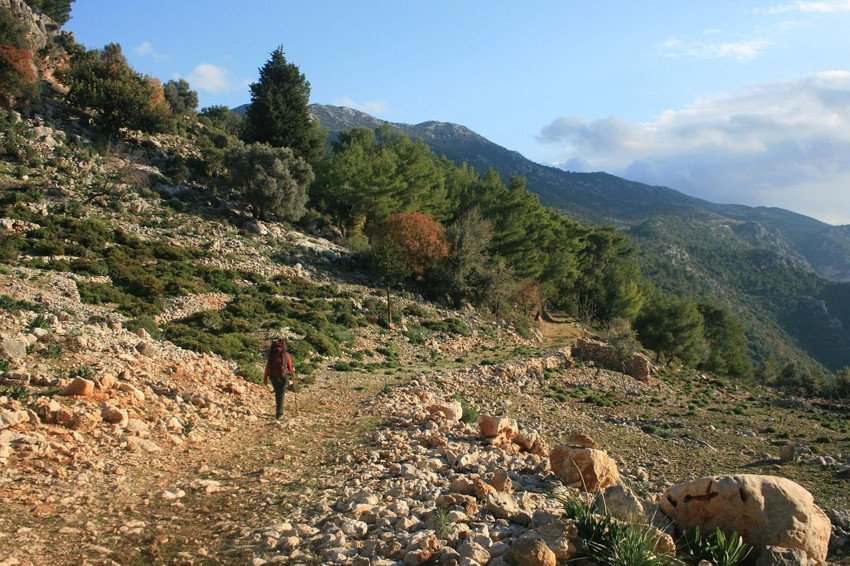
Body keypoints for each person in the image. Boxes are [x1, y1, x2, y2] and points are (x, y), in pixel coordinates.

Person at [264, 339, 294, 419]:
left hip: (273, 376)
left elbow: (267, 367)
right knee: (281, 394)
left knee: (277, 394)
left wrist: (265, 378)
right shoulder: (286, 355)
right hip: (283, 376)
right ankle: (279, 413)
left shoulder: (271, 356)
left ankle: (278, 413)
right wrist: (292, 374)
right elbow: (290, 368)